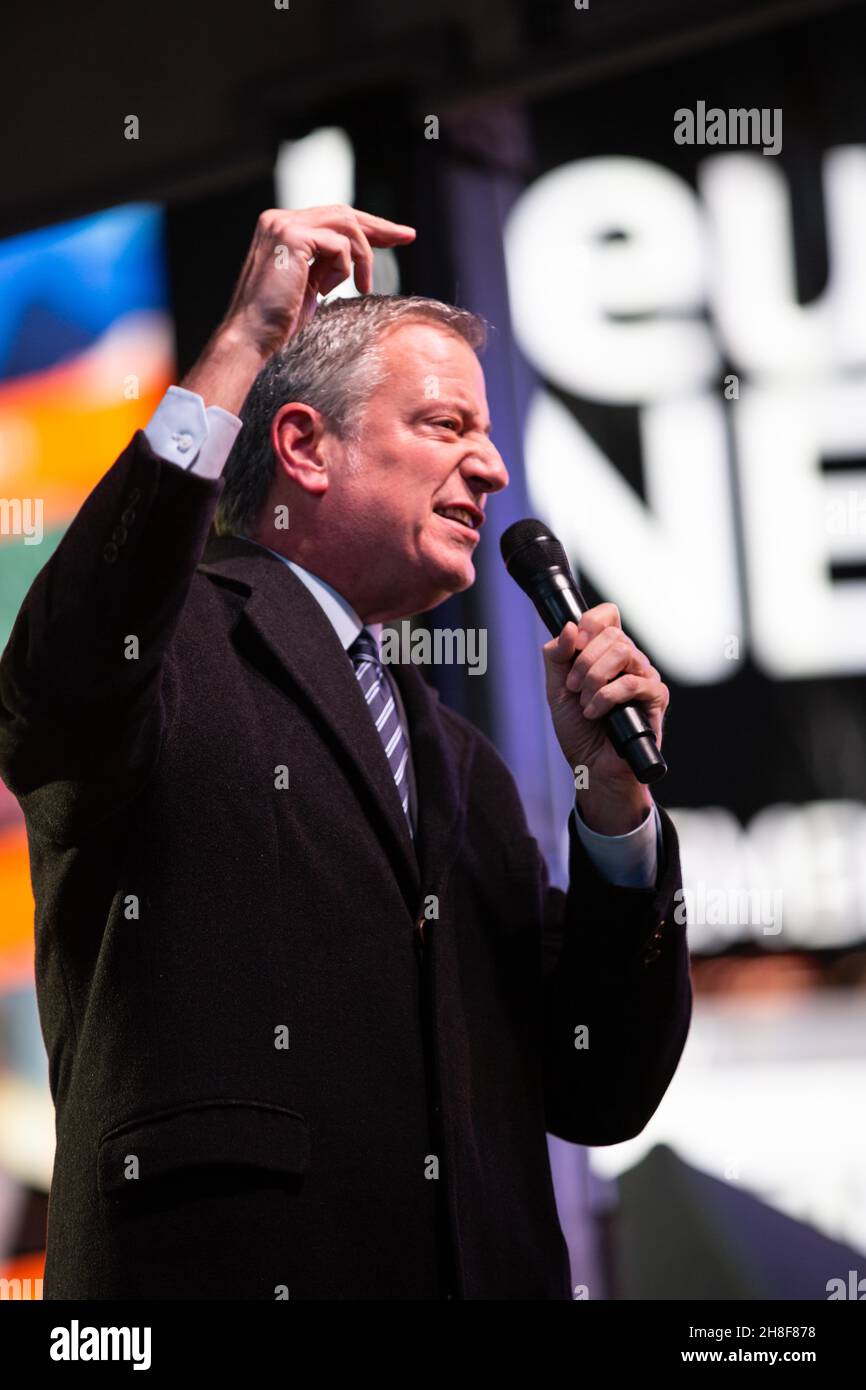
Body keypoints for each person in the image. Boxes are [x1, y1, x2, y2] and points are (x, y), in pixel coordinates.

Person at [0, 205, 691, 1300]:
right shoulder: (167, 649)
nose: (492, 467)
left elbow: (596, 1080)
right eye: (445, 424)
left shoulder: (463, 765)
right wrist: (240, 344)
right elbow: (56, 683)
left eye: (485, 431)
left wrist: (612, 814)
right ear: (304, 448)